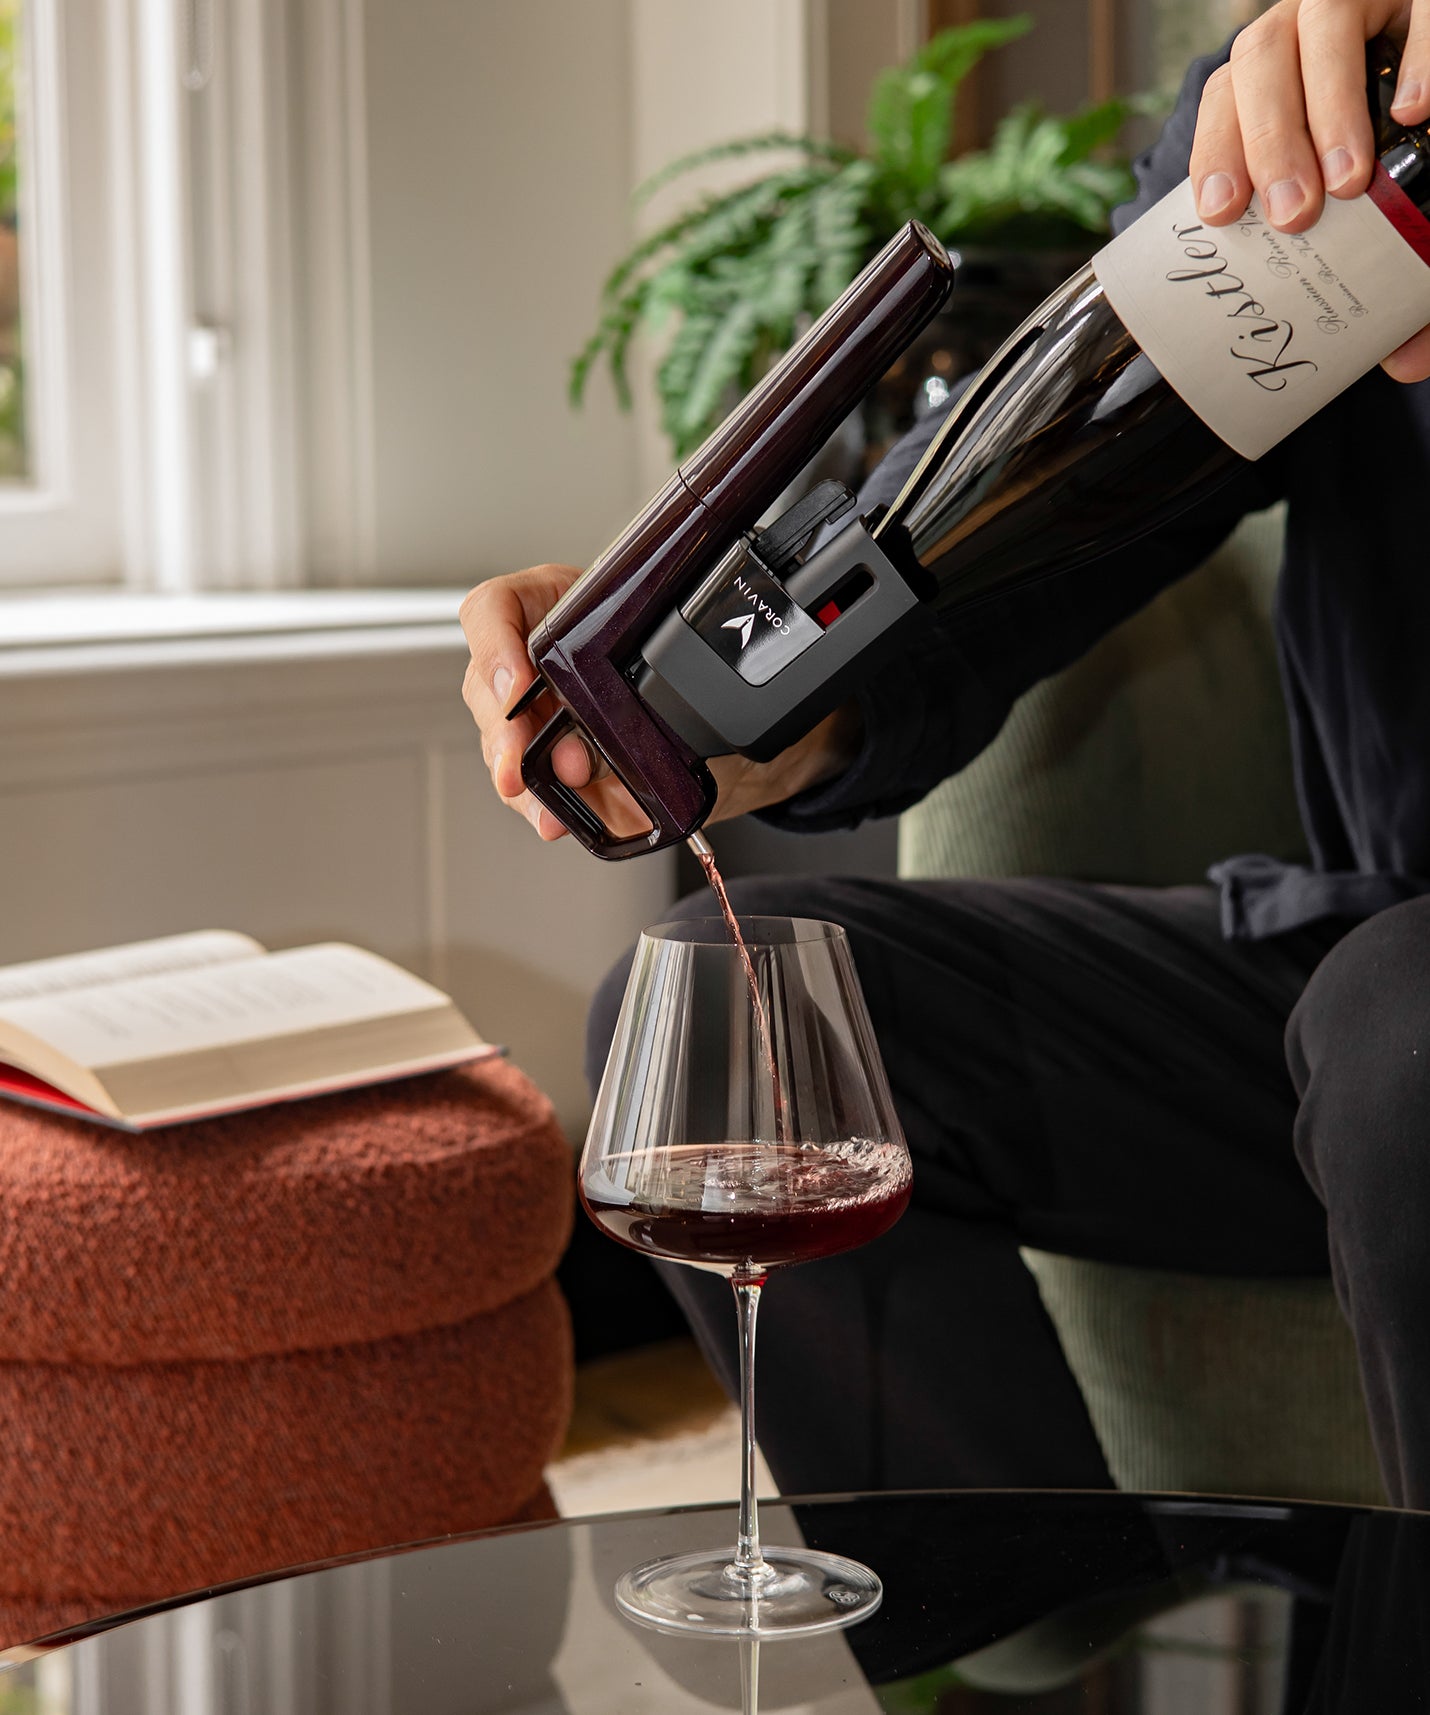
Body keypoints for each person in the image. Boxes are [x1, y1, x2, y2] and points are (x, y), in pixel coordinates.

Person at [462, 1, 1430, 1510]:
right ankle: (967, 1640)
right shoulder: (1337, 88)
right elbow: (1026, 529)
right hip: (1369, 999)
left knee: (1400, 1030)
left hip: (1400, 1032)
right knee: (773, 1035)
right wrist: (736, 711)